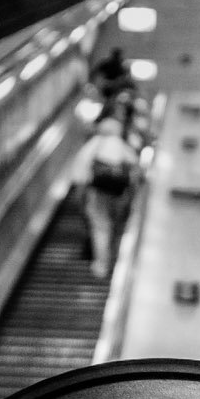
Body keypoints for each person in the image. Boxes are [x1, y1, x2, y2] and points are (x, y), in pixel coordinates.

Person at [73, 115, 139, 279]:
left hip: (98, 193)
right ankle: (116, 259)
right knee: (116, 226)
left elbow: (80, 173)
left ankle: (102, 266)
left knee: (101, 228)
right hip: (119, 194)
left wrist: (81, 193)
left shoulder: (94, 145)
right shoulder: (122, 146)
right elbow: (135, 168)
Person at [89, 43, 134, 109]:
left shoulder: (119, 65)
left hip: (113, 86)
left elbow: (95, 72)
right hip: (112, 86)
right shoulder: (116, 64)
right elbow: (95, 72)